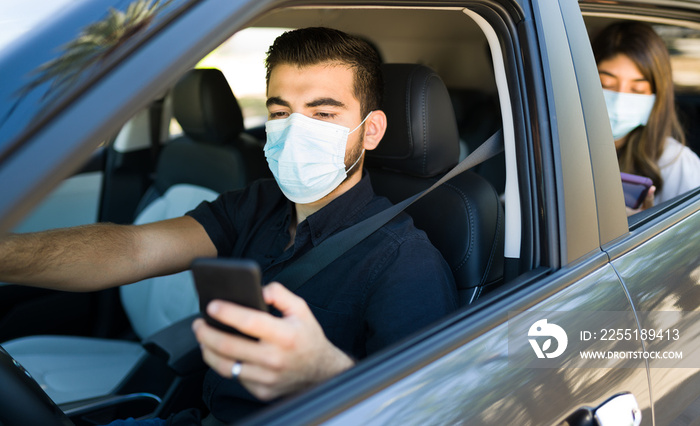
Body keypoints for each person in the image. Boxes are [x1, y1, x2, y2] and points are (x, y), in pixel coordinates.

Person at [0, 27, 458, 425]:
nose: (296, 130)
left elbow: (424, 413)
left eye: (323, 113)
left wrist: (324, 375)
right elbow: (133, 249)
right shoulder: (258, 204)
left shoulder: (405, 262)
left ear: (371, 130)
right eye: (280, 113)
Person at [592, 21, 700, 212]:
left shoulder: (676, 163)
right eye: (605, 84)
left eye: (637, 90)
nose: (619, 101)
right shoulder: (552, 145)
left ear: (657, 95)